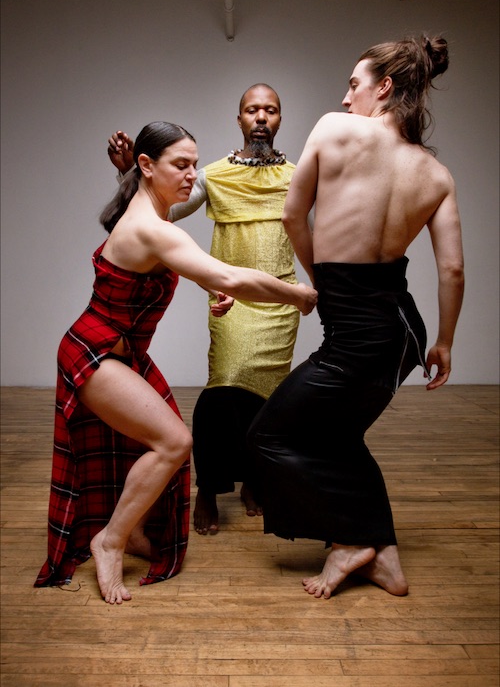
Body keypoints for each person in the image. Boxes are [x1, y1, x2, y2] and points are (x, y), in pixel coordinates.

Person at [35, 121, 317, 605]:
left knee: (148, 442)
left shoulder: (153, 218)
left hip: (122, 352)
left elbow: (180, 268)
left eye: (194, 163)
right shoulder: (150, 226)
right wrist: (298, 295)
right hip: (95, 352)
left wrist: (211, 288)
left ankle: (137, 533)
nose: (192, 175)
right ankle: (110, 540)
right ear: (147, 166)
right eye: (180, 165)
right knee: (174, 441)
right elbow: (226, 271)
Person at [247, 35, 465, 600]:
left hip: (360, 332)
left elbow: (293, 214)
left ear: (384, 87)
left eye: (354, 84)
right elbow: (453, 271)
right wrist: (442, 342)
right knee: (341, 436)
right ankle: (384, 554)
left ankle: (348, 541)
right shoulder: (435, 175)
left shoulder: (333, 129)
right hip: (405, 331)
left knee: (268, 435)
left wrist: (320, 279)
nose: (346, 99)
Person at [107, 84, 300, 535]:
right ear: (238, 119)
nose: (260, 117)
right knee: (224, 391)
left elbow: (313, 233)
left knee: (268, 402)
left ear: (279, 119)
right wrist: (131, 176)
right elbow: (159, 217)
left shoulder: (296, 176)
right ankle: (210, 490)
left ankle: (254, 480)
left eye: (269, 110)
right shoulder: (213, 175)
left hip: (278, 301)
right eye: (251, 109)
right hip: (231, 299)